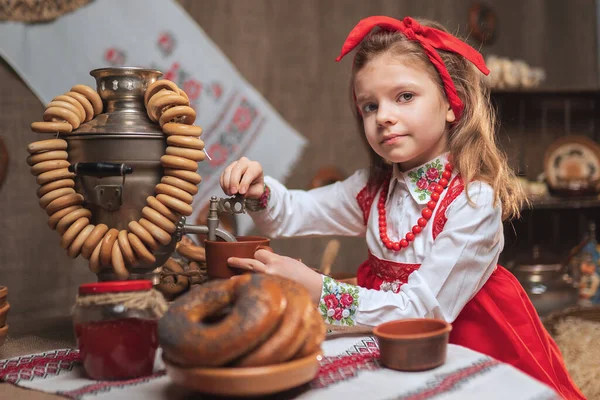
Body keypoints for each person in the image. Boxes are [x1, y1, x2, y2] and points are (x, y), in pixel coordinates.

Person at [220, 16, 584, 399]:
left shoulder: (472, 202)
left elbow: (424, 312)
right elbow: (295, 211)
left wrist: (319, 290)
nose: (384, 117)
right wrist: (260, 191)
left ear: (450, 103)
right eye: (369, 106)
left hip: (463, 339)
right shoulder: (371, 189)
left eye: (405, 97)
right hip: (384, 335)